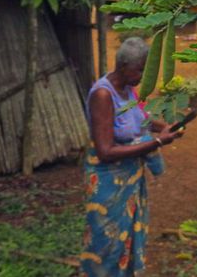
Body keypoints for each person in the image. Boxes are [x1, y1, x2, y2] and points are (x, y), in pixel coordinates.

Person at [79, 37, 186, 276]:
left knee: (126, 238)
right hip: (108, 184)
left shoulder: (128, 88)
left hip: (130, 180)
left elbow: (141, 118)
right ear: (124, 66)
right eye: (140, 70)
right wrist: (157, 143)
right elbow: (106, 151)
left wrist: (165, 128)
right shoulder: (103, 95)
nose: (142, 76)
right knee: (106, 242)